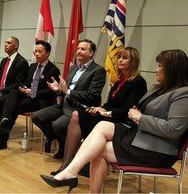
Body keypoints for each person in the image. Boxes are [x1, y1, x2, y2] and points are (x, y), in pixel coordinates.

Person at [40, 49, 188, 193]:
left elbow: (173, 129)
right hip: (142, 137)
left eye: (160, 66)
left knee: (98, 149)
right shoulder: (159, 88)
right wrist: (138, 112)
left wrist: (140, 117)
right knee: (102, 126)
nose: (156, 69)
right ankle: (71, 172)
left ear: (172, 69)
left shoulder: (183, 94)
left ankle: (71, 173)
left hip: (157, 150)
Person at [50, 47, 147, 175]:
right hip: (109, 117)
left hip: (122, 122)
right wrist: (99, 109)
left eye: (124, 58)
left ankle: (72, 166)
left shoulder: (138, 82)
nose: (120, 61)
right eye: (119, 58)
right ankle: (68, 164)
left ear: (133, 61)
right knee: (76, 115)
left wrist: (107, 113)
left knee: (78, 118)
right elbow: (110, 104)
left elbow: (128, 110)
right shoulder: (119, 81)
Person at [32, 39, 106, 159]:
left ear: (91, 53)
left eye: (82, 49)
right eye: (78, 49)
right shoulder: (73, 68)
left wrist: (68, 92)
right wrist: (58, 90)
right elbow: (65, 90)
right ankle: (62, 143)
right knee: (37, 117)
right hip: (64, 105)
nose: (78, 51)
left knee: (58, 125)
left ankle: (69, 150)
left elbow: (92, 95)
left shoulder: (98, 70)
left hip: (79, 109)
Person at [0, 40, 60, 151]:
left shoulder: (53, 70)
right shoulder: (33, 66)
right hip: (27, 96)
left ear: (48, 53)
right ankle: (5, 122)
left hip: (40, 101)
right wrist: (24, 87)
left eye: (40, 51)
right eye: (35, 51)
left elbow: (51, 91)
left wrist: (34, 92)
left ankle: (2, 136)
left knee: (13, 107)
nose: (37, 54)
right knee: (13, 93)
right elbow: (25, 82)